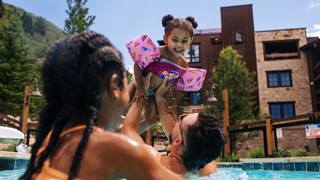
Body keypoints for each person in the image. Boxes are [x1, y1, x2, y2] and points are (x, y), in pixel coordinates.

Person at [20, 32, 182, 180]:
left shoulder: (50, 140)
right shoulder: (115, 149)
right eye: (126, 80)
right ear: (114, 86)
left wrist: (147, 122)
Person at [122, 80, 226, 176]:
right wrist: (160, 97)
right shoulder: (207, 167)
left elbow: (128, 129)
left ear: (177, 141)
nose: (179, 117)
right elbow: (181, 137)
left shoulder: (151, 160)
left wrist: (141, 89)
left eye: (182, 120)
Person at [128, 14, 198, 135]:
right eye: (175, 40)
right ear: (166, 39)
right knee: (122, 103)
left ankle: (128, 134)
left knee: (151, 119)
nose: (180, 45)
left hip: (154, 91)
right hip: (140, 82)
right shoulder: (157, 52)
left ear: (191, 41)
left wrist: (175, 102)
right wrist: (139, 88)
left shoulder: (183, 63)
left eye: (184, 41)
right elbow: (137, 65)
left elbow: (177, 83)